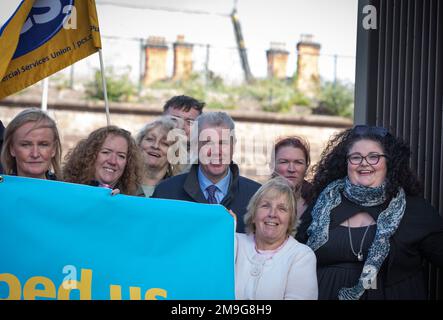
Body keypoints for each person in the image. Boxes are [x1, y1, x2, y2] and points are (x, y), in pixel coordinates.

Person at [296, 125, 443, 300]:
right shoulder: (323, 204)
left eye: (374, 157)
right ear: (346, 163)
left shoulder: (415, 210)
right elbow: (293, 252)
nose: (364, 163)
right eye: (356, 157)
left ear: (389, 161)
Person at [152, 111, 261, 232]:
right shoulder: (166, 193)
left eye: (223, 143)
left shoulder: (256, 196)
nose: (216, 151)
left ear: (233, 145)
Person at [235, 177, 318, 300]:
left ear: (290, 219)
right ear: (253, 215)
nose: (272, 214)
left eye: (282, 208)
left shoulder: (301, 256)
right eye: (265, 206)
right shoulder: (234, 243)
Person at [63, 126, 143, 196]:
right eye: (106, 152)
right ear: (90, 155)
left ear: (128, 163)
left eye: (121, 156)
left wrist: (121, 203)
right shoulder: (64, 188)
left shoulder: (135, 197)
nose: (113, 161)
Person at [0, 108, 62, 180]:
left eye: (43, 145)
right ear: (12, 148)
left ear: (54, 149)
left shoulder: (69, 190)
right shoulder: (3, 189)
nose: (35, 154)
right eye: (26, 145)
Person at [135, 116, 187, 197]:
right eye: (150, 139)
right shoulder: (120, 183)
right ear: (139, 144)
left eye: (164, 143)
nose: (155, 146)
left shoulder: (181, 191)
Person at [271, 136, 313, 218]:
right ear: (272, 166)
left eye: (298, 162)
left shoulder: (319, 204)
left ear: (306, 168)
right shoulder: (257, 200)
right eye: (284, 162)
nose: (291, 169)